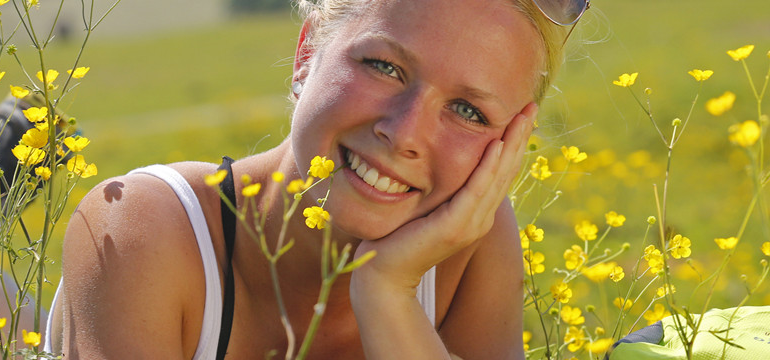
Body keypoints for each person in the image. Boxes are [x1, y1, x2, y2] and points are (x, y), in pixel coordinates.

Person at [50, 0, 586, 358]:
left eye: (468, 111)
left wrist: (388, 293)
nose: (403, 134)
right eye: (385, 66)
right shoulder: (141, 230)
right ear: (307, 53)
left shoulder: (472, 242)